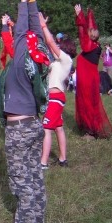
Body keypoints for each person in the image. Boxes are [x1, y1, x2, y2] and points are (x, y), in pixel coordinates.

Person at [0, 0, 47, 223]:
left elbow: (21, 32)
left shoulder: (20, 63)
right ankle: (37, 219)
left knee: (21, 179)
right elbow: (36, 32)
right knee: (35, 174)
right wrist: (31, 0)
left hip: (19, 129)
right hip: (34, 125)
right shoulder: (38, 60)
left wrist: (23, 2)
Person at [39, 13, 77, 169]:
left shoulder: (66, 59)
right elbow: (49, 44)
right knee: (58, 128)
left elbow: (50, 42)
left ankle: (43, 162)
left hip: (55, 98)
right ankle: (62, 159)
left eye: (61, 45)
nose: (58, 46)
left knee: (46, 129)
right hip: (55, 98)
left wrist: (43, 25)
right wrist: (43, 27)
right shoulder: (60, 60)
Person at [74, 4, 112, 139]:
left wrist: (80, 16)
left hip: (87, 81)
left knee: (88, 105)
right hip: (89, 80)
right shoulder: (96, 45)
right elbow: (90, 30)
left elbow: (83, 32)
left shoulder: (89, 47)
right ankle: (91, 129)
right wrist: (89, 15)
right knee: (91, 105)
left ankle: (91, 132)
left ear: (89, 37)